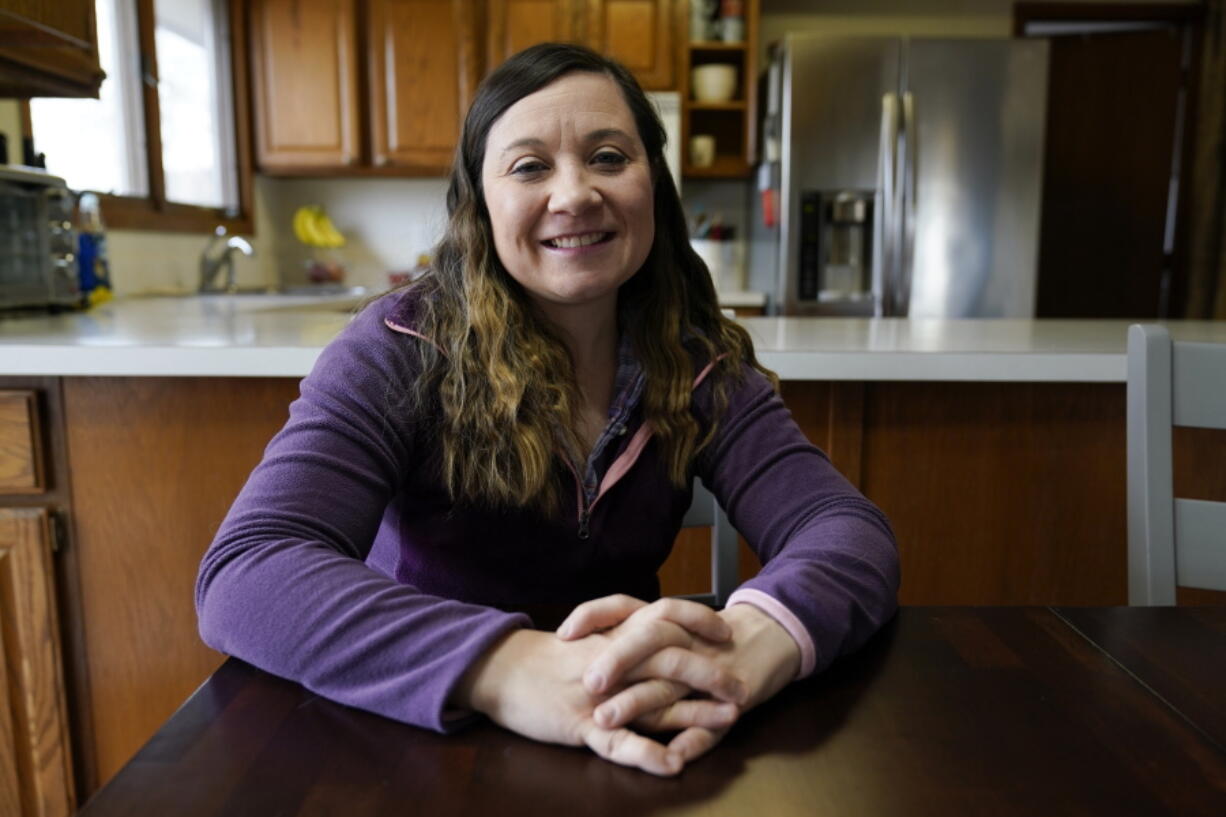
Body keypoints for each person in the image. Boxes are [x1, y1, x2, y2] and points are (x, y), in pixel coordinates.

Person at [195, 42, 899, 777]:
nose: (575, 195)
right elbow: (247, 569)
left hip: (633, 746)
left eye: (608, 156)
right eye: (530, 166)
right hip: (419, 745)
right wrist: (511, 665)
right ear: (481, 203)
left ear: (651, 182)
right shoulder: (399, 347)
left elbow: (844, 530)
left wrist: (756, 638)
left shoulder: (697, 361)